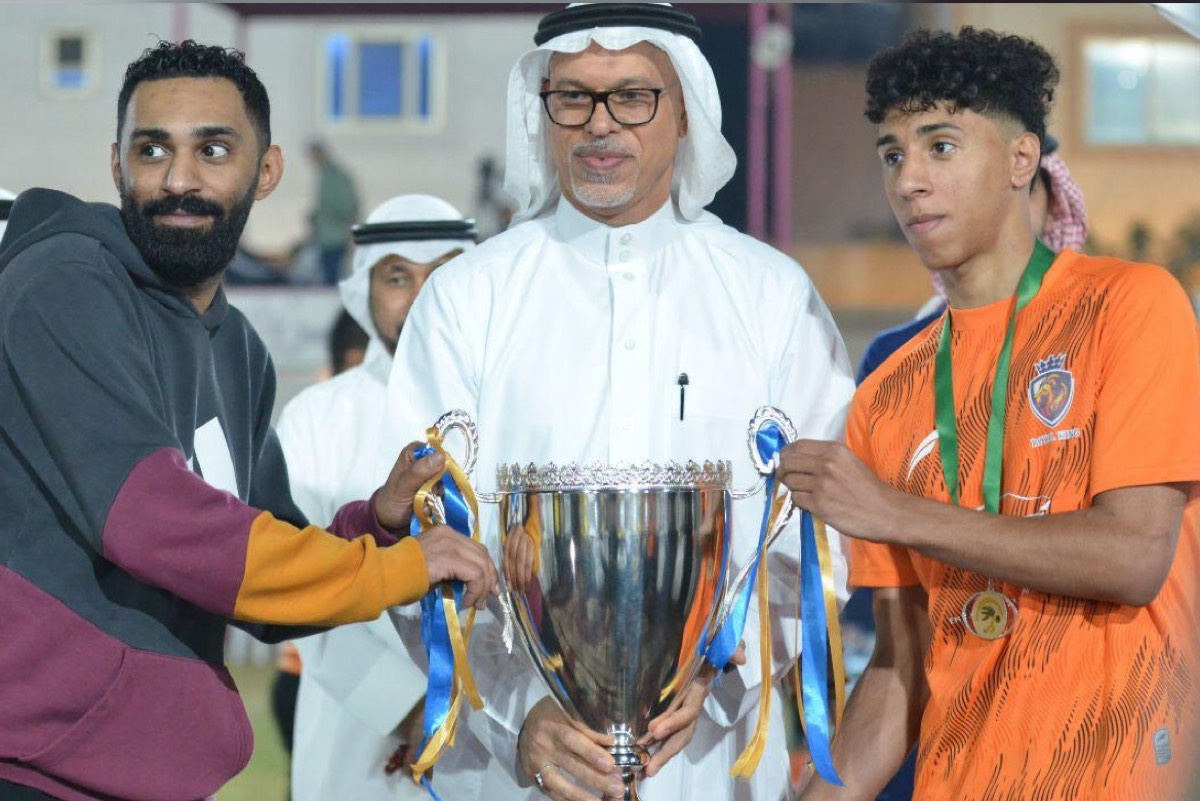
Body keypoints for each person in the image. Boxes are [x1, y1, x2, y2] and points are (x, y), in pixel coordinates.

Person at [0, 40, 496, 801]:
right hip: (30, 766)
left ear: (266, 171)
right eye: (152, 149)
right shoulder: (63, 282)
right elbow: (155, 520)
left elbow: (263, 576)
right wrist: (399, 569)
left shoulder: (238, 349)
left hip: (145, 772)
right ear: (116, 166)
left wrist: (379, 526)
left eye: (213, 150)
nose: (179, 178)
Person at [383, 4, 856, 800]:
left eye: (633, 96)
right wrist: (518, 710)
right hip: (521, 767)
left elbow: (823, 531)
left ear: (685, 112)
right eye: (573, 97)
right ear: (543, 112)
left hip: (710, 760)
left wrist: (722, 668)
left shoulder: (772, 297)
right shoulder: (466, 299)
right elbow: (419, 541)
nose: (600, 124)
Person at [782, 26, 1200, 801]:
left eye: (940, 146)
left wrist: (895, 512)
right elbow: (901, 666)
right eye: (892, 155)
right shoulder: (887, 393)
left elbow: (1135, 555)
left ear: (1020, 160)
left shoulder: (1132, 307)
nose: (909, 180)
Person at [277, 194, 476, 801]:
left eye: (442, 275)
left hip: (499, 726)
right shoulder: (316, 417)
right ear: (362, 291)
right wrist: (410, 707)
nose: (421, 297)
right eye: (397, 278)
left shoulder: (513, 405)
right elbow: (296, 590)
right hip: (356, 736)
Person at [857, 134, 1089, 383]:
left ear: (1054, 210)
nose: (1002, 212)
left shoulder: (1098, 333)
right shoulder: (891, 356)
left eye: (1022, 192)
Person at [308, 141, 360, 286]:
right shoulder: (333, 174)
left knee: (331, 275)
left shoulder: (332, 176)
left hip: (333, 235)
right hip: (332, 234)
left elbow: (344, 206)